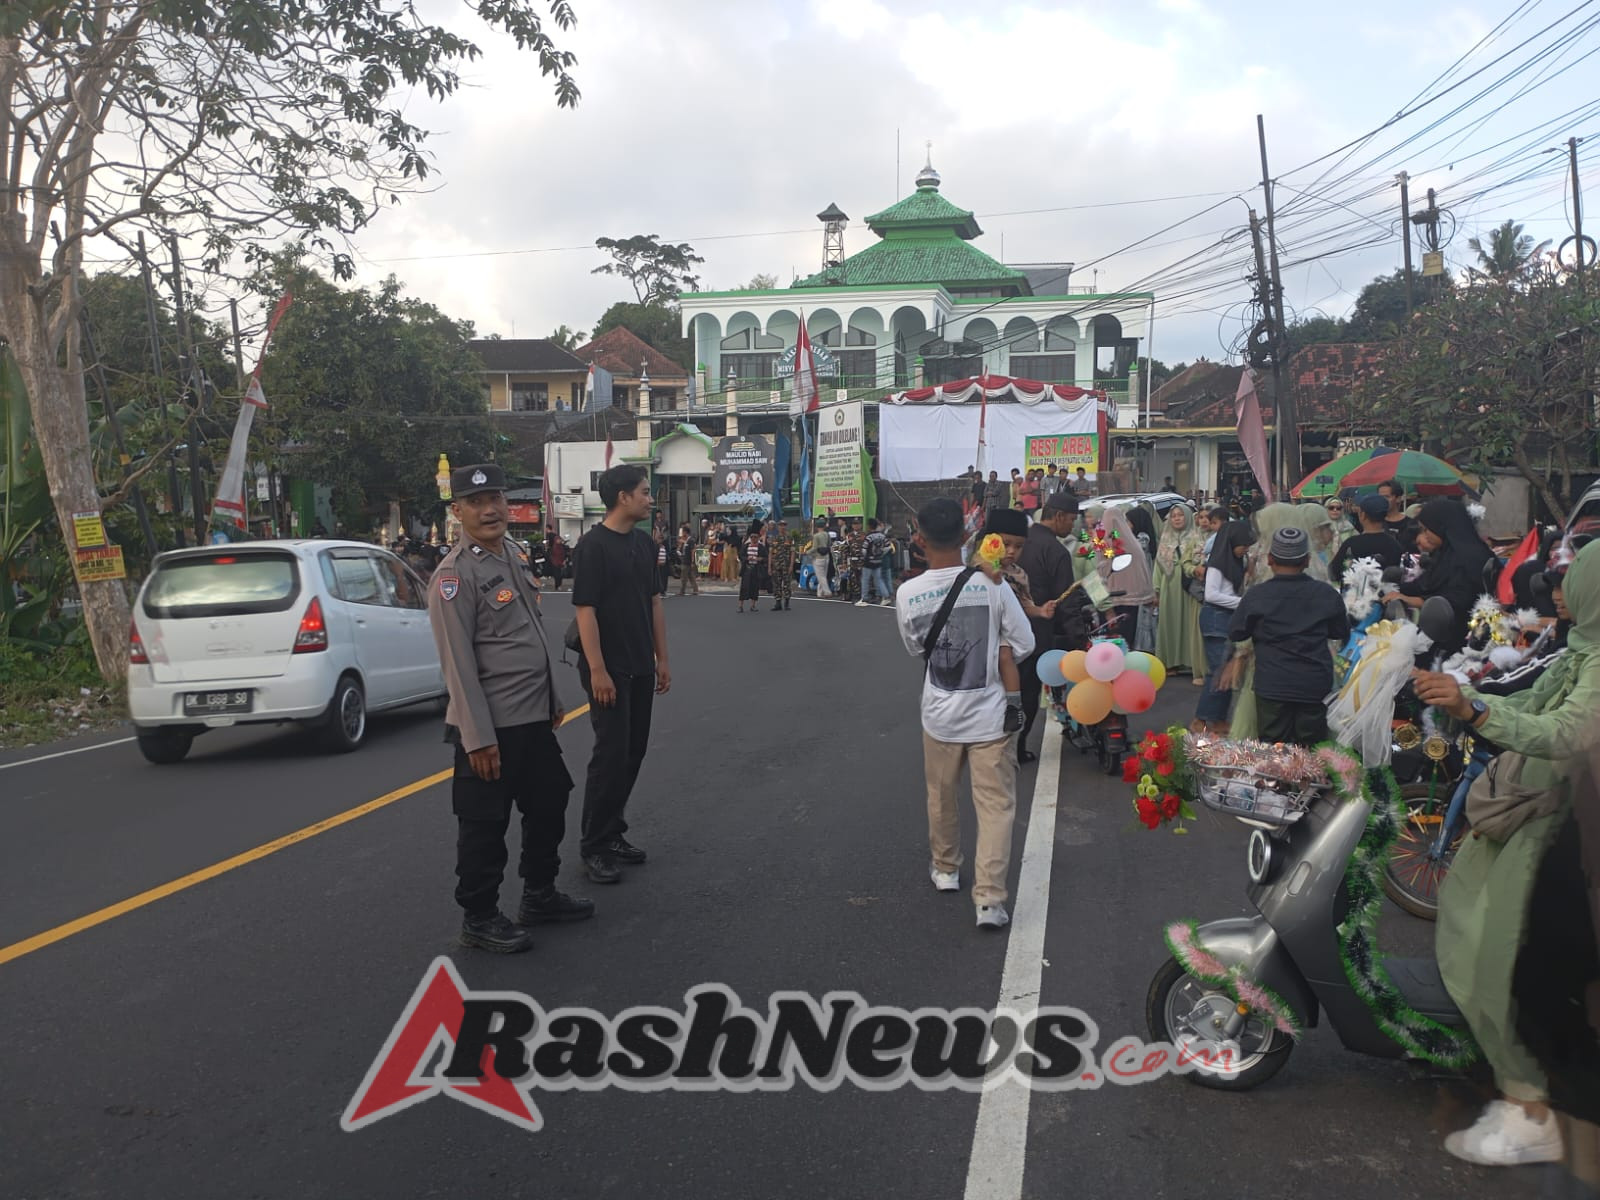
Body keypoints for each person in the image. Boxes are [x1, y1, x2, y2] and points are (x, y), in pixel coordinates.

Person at [1413, 540, 1600, 1167]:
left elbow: (1568, 733)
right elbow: (1531, 703)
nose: (1559, 590)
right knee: (1484, 943)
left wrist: (1476, 707)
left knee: (1508, 962)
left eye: (1575, 581)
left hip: (1559, 833)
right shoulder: (1581, 651)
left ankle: (1535, 1111)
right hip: (1530, 818)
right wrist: (1466, 700)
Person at [428, 462, 591, 954]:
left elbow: (532, 636)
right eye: (476, 502)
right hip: (491, 727)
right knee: (484, 824)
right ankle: (479, 916)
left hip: (532, 718)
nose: (490, 509)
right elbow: (457, 664)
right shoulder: (454, 576)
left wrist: (552, 700)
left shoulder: (512, 556)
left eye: (495, 498)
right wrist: (477, 737)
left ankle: (539, 894)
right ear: (457, 511)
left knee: (550, 803)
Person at [896, 497, 1034, 930]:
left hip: (939, 714)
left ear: (918, 539)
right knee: (995, 807)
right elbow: (1025, 642)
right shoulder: (993, 583)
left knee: (941, 796)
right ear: (966, 536)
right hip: (991, 715)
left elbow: (916, 648)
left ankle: (946, 869)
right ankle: (990, 900)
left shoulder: (907, 593)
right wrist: (1000, 653)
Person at [570, 465, 671, 885]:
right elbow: (585, 611)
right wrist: (597, 670)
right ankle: (594, 844)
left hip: (640, 666)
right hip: (607, 669)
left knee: (634, 752)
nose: (651, 499)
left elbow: (654, 603)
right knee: (609, 756)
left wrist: (662, 659)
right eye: (645, 492)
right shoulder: (592, 546)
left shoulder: (644, 544)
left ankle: (613, 832)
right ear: (622, 497)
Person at [1220, 527, 1349, 746]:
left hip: (1273, 683)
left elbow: (1236, 631)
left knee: (1273, 752)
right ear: (1307, 560)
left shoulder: (1258, 595)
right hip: (1314, 683)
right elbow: (1340, 631)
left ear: (1270, 559)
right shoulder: (1326, 594)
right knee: (1312, 752)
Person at [1384, 498, 1494, 659]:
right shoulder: (1446, 553)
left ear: (1441, 526)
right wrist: (1389, 588)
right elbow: (1424, 584)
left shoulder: (1470, 559)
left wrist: (1410, 600)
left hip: (1456, 642)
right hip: (1436, 631)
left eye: (1426, 529)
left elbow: (1456, 600)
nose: (1425, 536)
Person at [1017, 491, 1081, 762]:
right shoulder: (1056, 551)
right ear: (1058, 516)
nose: (1073, 526)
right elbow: (1066, 600)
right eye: (1071, 520)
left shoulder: (1018, 542)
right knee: (1028, 692)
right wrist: (1080, 640)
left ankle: (1002, 745)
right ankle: (1018, 746)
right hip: (1036, 631)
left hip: (1007, 631)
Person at [1194, 519, 1255, 734]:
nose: (1245, 549)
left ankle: (1217, 719)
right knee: (1218, 671)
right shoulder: (1217, 564)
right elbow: (1212, 595)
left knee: (1228, 672)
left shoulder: (1238, 562)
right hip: (1216, 619)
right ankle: (1201, 720)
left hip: (1228, 619)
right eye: (1243, 545)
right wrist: (1243, 602)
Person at [1154, 503, 1205, 680]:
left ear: (1188, 517)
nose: (1176, 518)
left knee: (1190, 624)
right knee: (1170, 622)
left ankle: (1191, 662)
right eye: (1174, 515)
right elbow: (1158, 566)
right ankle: (1170, 662)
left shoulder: (1196, 537)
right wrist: (1157, 588)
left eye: (1180, 515)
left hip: (1189, 586)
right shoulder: (1165, 538)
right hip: (1170, 585)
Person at [1329, 492, 1404, 582]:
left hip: (1355, 593)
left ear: (1362, 515)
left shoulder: (1351, 543)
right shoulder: (1394, 544)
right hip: (1389, 593)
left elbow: (1334, 572)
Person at [1378, 478, 1419, 553]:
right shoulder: (1375, 522)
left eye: (1387, 497)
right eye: (1380, 497)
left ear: (1398, 498)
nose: (1382, 500)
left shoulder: (1411, 524)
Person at [859, 518, 893, 606]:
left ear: (869, 526)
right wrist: (881, 553)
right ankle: (886, 596)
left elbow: (864, 550)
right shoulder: (882, 536)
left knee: (865, 579)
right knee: (878, 579)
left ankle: (864, 597)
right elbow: (888, 547)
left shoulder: (869, 536)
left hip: (868, 561)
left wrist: (865, 557)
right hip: (878, 560)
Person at [768, 521, 794, 611]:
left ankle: (786, 603)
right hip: (776, 565)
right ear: (778, 527)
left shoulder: (789, 538)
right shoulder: (774, 538)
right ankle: (778, 603)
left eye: (784, 525)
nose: (782, 527)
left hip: (786, 565)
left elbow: (793, 552)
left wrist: (791, 565)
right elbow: (770, 553)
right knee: (776, 584)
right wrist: (769, 567)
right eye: (780, 525)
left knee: (787, 584)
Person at [809, 520, 833, 597]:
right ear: (824, 526)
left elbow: (814, 548)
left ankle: (827, 592)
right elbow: (829, 544)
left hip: (818, 557)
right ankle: (820, 593)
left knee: (820, 576)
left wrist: (806, 552)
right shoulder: (827, 534)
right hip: (826, 556)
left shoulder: (816, 536)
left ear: (816, 527)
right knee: (823, 575)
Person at [676, 526, 699, 595]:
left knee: (684, 577)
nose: (682, 534)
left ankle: (682, 591)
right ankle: (695, 590)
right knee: (691, 576)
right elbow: (680, 550)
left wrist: (692, 561)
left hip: (687, 561)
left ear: (686, 532)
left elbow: (693, 551)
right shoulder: (685, 541)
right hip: (685, 560)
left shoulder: (690, 540)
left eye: (683, 532)